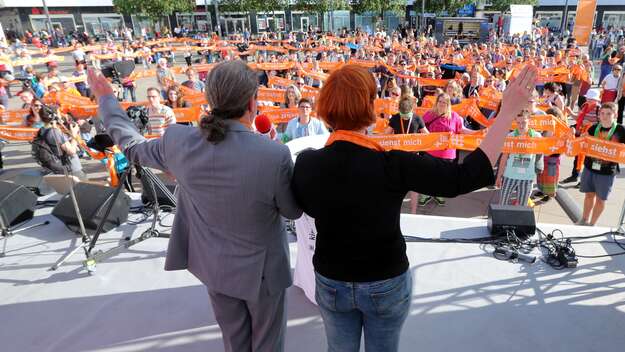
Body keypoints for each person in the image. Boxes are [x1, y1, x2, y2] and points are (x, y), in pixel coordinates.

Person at [291, 64, 537, 352]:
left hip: (332, 279)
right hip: (384, 280)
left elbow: (299, 207)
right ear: (370, 106)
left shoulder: (308, 164)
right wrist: (507, 113)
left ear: (326, 107)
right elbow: (464, 177)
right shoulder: (393, 164)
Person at [88, 60, 302, 352]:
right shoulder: (274, 154)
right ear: (253, 103)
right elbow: (292, 211)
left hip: (214, 268)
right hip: (262, 276)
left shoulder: (178, 141)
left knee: (235, 344)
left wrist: (107, 100)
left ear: (210, 99)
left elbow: (132, 147)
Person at [578, 102, 625, 226]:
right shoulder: (594, 127)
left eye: (609, 114)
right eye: (602, 113)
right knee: (589, 195)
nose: (604, 116)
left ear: (615, 114)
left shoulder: (621, 130)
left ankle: (592, 224)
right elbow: (584, 142)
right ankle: (584, 219)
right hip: (589, 167)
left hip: (607, 172)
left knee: (600, 200)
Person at [495, 109, 544, 206]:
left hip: (527, 177)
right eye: (518, 123)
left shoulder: (536, 137)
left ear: (529, 120)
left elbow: (547, 148)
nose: (521, 126)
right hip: (510, 175)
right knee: (503, 203)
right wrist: (499, 176)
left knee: (522, 206)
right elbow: (504, 157)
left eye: (524, 123)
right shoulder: (511, 136)